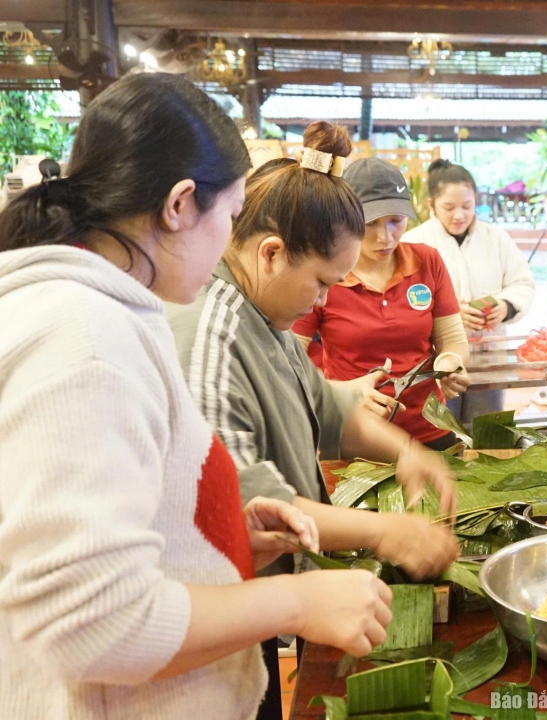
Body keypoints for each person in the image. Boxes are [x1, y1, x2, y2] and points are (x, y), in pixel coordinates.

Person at [0, 73, 393, 719]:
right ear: (181, 204)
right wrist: (298, 602)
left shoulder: (99, 313)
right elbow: (93, 625)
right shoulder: (82, 341)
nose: (228, 243)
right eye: (232, 216)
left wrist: (213, 534)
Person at [167, 122, 460, 719]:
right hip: (217, 624)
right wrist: (387, 532)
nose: (325, 302)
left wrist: (406, 452)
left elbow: (328, 407)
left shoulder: (262, 316)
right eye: (323, 282)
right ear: (271, 253)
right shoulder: (213, 334)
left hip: (261, 602)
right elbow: (245, 505)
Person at [295, 158, 470, 451]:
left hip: (430, 428)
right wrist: (342, 393)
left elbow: (452, 340)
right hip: (354, 434)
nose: (384, 237)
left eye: (395, 221)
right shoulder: (326, 272)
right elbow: (290, 361)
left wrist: (449, 364)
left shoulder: (427, 261)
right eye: (369, 223)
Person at [402, 159, 535, 423]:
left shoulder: (496, 238)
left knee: (487, 430)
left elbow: (523, 283)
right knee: (444, 433)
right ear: (431, 205)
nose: (459, 215)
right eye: (448, 208)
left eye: (467, 206)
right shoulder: (414, 242)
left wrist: (505, 306)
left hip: (490, 357)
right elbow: (401, 303)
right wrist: (448, 316)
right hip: (436, 361)